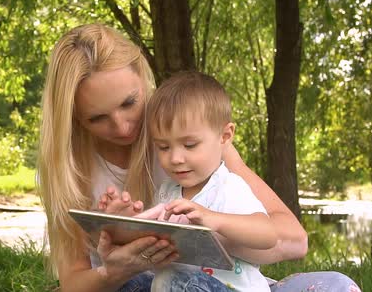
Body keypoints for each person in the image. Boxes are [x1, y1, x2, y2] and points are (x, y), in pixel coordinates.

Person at [37, 23, 360, 292]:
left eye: (129, 103)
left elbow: (293, 240)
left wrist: (196, 234)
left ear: (142, 77)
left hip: (219, 282)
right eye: (97, 118)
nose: (123, 127)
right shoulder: (68, 170)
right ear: (75, 118)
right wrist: (116, 262)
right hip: (141, 286)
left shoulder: (188, 133)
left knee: (336, 285)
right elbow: (74, 283)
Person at [102, 71, 278, 291]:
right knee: (125, 284)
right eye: (163, 147)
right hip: (172, 283)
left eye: (190, 145)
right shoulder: (167, 192)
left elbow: (268, 235)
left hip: (227, 288)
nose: (175, 159)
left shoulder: (227, 186)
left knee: (173, 281)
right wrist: (125, 224)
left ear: (225, 136)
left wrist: (213, 219)